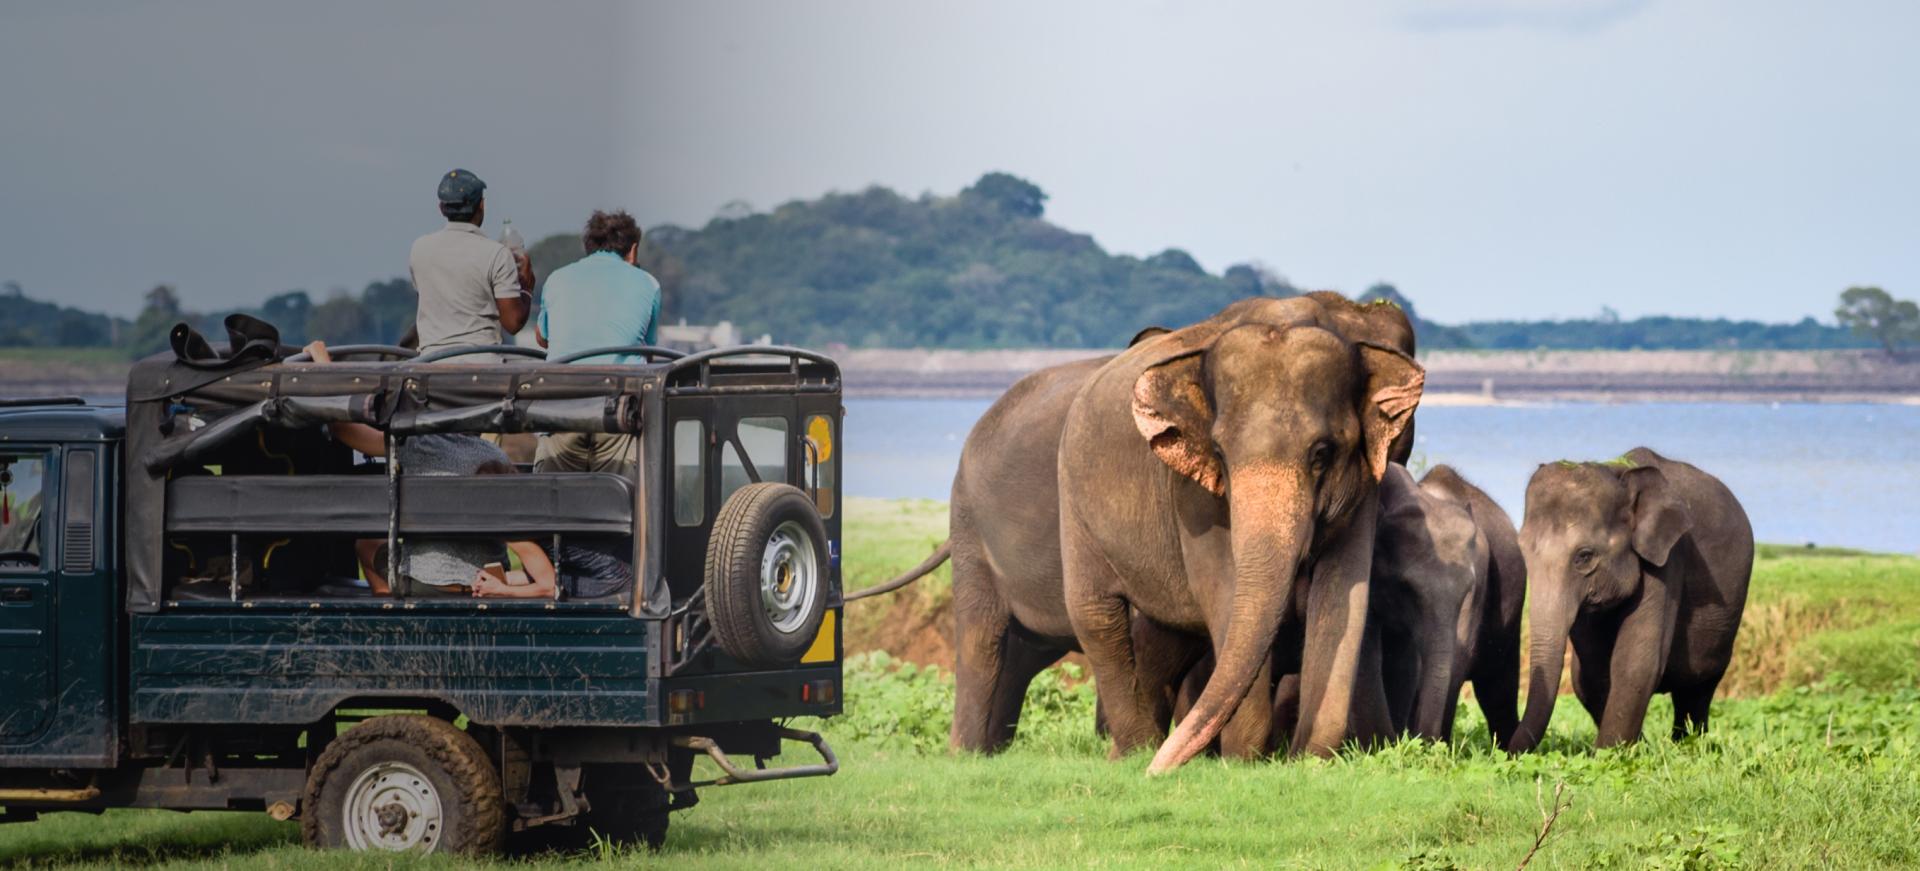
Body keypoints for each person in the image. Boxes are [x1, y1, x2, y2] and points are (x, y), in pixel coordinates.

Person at [304, 340, 547, 597]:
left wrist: (323, 362)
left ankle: (391, 610)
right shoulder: (495, 454)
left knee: (366, 545)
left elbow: (342, 427)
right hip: (486, 582)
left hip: (426, 584)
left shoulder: (415, 443)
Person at [530, 210, 661, 475]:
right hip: (618, 410)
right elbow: (647, 348)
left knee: (552, 505)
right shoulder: (648, 283)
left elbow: (543, 338)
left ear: (588, 246)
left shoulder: (557, 278)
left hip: (560, 406)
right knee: (621, 505)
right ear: (633, 250)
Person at [410, 168, 535, 362]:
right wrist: (526, 288)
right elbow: (513, 323)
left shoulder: (419, 248)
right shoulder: (496, 254)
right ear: (482, 206)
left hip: (431, 365)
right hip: (481, 369)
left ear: (441, 208)